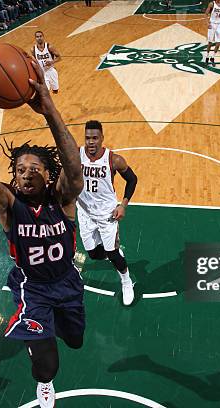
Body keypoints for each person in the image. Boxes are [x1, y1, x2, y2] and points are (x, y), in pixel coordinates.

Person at [0, 61, 84, 408]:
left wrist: (49, 109)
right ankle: (43, 378)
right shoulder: (7, 202)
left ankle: (53, 330)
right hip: (32, 288)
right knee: (48, 366)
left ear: (49, 175)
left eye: (35, 169)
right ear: (13, 176)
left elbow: (74, 167)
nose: (27, 174)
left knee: (75, 341)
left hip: (67, 282)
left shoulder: (62, 199)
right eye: (20, 169)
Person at [77, 120, 138, 306]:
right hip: (85, 213)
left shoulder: (114, 160)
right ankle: (113, 251)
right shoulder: (77, 154)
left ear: (102, 138)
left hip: (107, 215)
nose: (91, 142)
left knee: (112, 255)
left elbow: (132, 180)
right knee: (94, 254)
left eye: (95, 138)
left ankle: (127, 281)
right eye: (88, 138)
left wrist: (123, 206)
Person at [205, 0, 220, 67]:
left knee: (218, 43)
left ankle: (212, 58)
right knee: (210, 43)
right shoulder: (211, 4)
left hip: (219, 24)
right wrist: (207, 23)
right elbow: (206, 14)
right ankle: (207, 57)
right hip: (212, 24)